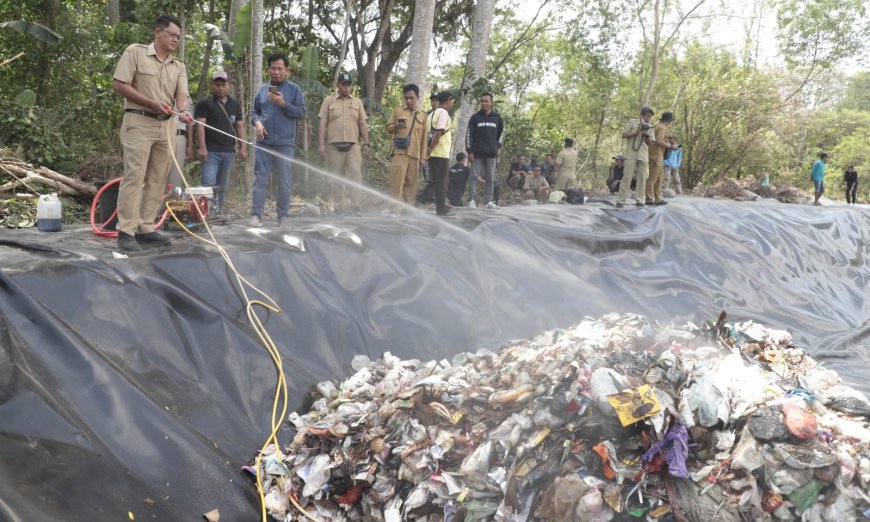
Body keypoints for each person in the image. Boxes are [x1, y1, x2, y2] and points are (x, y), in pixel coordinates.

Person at [111, 15, 192, 252]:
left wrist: (184, 111)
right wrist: (151, 103)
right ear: (158, 32)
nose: (176, 39)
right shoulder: (135, 53)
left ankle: (145, 227)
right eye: (172, 35)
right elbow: (119, 84)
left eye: (179, 36)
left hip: (165, 126)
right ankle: (126, 230)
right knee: (134, 175)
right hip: (138, 121)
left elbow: (182, 96)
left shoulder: (178, 66)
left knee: (158, 178)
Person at [250, 53, 306, 227]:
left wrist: (283, 104)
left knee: (284, 180)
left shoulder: (294, 89)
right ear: (268, 69)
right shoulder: (261, 89)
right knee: (260, 178)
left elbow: (301, 113)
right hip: (264, 142)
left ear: (286, 70)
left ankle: (283, 216)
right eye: (273, 68)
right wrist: (257, 123)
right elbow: (254, 113)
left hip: (285, 143)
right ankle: (256, 215)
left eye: (280, 68)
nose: (276, 72)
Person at [194, 70, 247, 215]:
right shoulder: (204, 103)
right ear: (212, 85)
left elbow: (240, 126)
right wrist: (202, 148)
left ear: (228, 85)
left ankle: (218, 212)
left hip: (228, 151)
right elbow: (200, 125)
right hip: (211, 151)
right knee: (208, 183)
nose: (221, 88)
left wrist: (243, 147)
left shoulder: (234, 104)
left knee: (222, 185)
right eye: (217, 84)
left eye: (223, 84)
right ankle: (204, 213)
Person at [319, 72, 370, 215]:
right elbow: (322, 122)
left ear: (351, 86)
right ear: (338, 85)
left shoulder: (357, 102)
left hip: (353, 145)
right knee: (336, 177)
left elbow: (362, 123)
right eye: (343, 84)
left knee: (355, 172)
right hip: (333, 145)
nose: (346, 87)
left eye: (349, 84)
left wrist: (367, 143)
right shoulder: (329, 101)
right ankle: (338, 208)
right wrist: (321, 144)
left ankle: (355, 206)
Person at [386, 84, 426, 211]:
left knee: (411, 184)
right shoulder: (398, 111)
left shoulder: (422, 116)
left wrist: (423, 157)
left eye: (411, 98)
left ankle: (408, 210)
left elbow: (424, 139)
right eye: (406, 98)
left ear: (418, 97)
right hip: (399, 153)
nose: (408, 100)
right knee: (396, 182)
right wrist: (395, 127)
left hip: (414, 155)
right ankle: (394, 210)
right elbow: (388, 128)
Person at [465, 92, 504, 209]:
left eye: (486, 101)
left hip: (491, 154)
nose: (484, 103)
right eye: (482, 101)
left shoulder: (497, 118)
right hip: (477, 153)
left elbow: (501, 134)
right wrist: (469, 151)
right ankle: (471, 200)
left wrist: (498, 146)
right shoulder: (475, 118)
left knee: (490, 178)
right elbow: (468, 135)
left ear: (491, 102)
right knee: (473, 176)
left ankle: (488, 201)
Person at [616, 107, 655, 208]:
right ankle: (621, 201)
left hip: (643, 155)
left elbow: (651, 143)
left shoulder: (650, 127)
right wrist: (635, 132)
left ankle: (640, 200)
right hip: (631, 154)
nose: (648, 119)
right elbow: (623, 135)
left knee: (642, 179)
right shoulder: (632, 122)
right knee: (627, 177)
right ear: (642, 115)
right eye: (647, 117)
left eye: (650, 117)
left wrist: (646, 135)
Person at [425, 90, 455, 216]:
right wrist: (431, 148)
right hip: (440, 152)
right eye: (451, 100)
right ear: (448, 100)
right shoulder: (443, 113)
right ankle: (440, 208)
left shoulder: (432, 113)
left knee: (435, 181)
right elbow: (438, 132)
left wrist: (428, 150)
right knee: (442, 182)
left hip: (433, 154)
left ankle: (439, 204)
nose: (452, 103)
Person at [647, 111, 676, 205]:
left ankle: (658, 199)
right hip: (656, 156)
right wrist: (671, 146)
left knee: (659, 179)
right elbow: (659, 141)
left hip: (658, 156)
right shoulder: (662, 127)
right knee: (653, 179)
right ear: (668, 121)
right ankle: (649, 199)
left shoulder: (657, 126)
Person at [416, 93, 440, 205]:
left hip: (438, 152)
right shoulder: (426, 115)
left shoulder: (442, 114)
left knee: (437, 177)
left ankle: (428, 198)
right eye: (432, 100)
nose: (434, 102)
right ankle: (424, 198)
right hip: (426, 151)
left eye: (436, 100)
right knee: (429, 177)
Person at [167, 111, 193, 189]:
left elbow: (190, 123)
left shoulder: (186, 99)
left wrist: (190, 146)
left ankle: (173, 200)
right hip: (162, 134)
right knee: (158, 173)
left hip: (179, 135)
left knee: (176, 174)